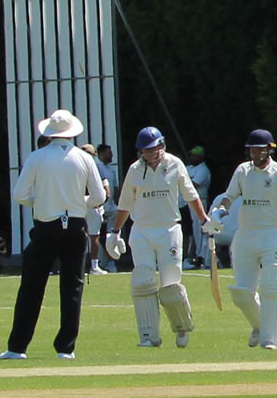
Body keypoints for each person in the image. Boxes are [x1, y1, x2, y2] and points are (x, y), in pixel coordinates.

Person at [4, 109, 111, 360]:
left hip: (45, 226)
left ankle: (17, 347)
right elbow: (99, 197)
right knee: (72, 288)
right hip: (75, 226)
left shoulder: (37, 157)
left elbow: (20, 194)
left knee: (31, 286)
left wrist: (42, 200)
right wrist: (76, 201)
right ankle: (66, 348)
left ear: (50, 133)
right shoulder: (85, 159)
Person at [207, 129, 277, 350]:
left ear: (269, 150)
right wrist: (220, 212)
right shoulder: (242, 171)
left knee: (272, 284)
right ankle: (260, 326)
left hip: (271, 234)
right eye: (251, 149)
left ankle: (270, 339)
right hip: (245, 235)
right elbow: (229, 197)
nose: (255, 153)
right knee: (242, 293)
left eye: (259, 149)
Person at [110, 127, 204, 348]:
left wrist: (204, 220)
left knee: (171, 284)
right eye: (145, 150)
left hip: (169, 229)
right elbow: (125, 204)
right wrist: (115, 232)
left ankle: (181, 328)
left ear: (162, 146)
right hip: (141, 229)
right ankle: (149, 336)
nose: (150, 154)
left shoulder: (175, 164)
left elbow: (191, 196)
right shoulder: (134, 170)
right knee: (143, 281)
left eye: (153, 149)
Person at [89, 143, 121, 274]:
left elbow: (115, 189)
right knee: (99, 236)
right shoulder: (96, 167)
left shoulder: (111, 170)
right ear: (100, 154)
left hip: (111, 207)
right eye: (109, 153)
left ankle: (111, 262)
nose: (111, 155)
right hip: (99, 207)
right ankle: (101, 262)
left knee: (110, 235)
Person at [182, 146, 215, 269]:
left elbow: (193, 184)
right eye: (191, 155)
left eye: (195, 155)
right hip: (187, 202)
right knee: (190, 231)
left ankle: (201, 256)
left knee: (200, 229)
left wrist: (187, 180)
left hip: (200, 200)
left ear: (201, 157)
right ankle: (191, 256)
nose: (192, 157)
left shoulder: (203, 169)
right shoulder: (189, 168)